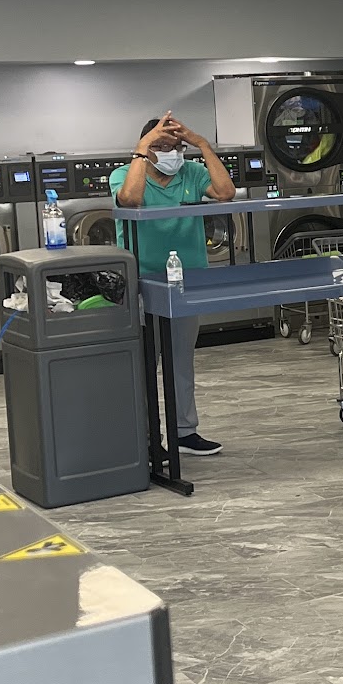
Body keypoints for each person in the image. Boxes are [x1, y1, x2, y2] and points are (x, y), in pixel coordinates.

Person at [112, 111, 235, 458]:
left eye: (177, 147)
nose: (172, 154)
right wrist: (142, 150)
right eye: (162, 146)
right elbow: (130, 199)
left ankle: (184, 432)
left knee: (181, 360)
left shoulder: (192, 173)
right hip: (141, 280)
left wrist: (202, 144)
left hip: (185, 280)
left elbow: (225, 192)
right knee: (144, 363)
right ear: (147, 147)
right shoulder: (124, 174)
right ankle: (147, 438)